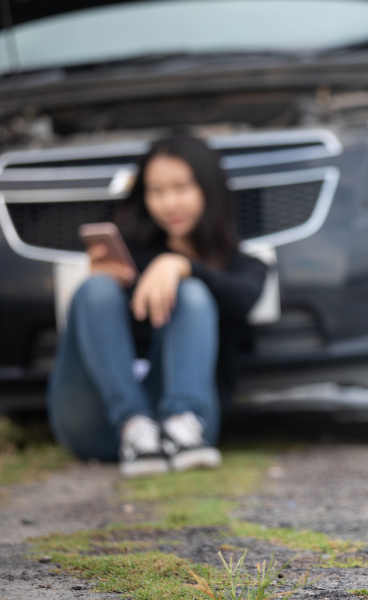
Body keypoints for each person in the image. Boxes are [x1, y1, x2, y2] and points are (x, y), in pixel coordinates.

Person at [47, 134, 267, 477]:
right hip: (104, 425)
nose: (169, 203)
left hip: (187, 434)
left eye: (181, 188)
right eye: (157, 191)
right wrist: (114, 287)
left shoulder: (242, 266)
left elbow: (242, 299)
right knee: (96, 290)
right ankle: (134, 427)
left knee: (192, 294)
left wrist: (181, 266)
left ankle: (181, 423)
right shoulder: (130, 258)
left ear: (209, 189)